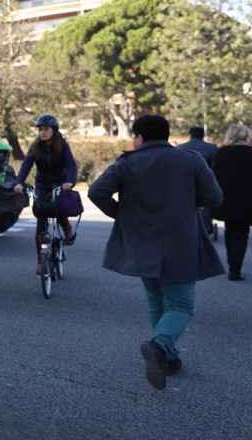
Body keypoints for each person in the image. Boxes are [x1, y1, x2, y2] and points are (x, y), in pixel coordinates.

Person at [88, 115, 223, 390]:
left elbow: (96, 191)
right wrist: (186, 204)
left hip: (141, 242)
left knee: (156, 301)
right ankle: (160, 346)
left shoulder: (127, 163)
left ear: (139, 137)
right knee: (181, 305)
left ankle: (166, 356)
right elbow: (215, 198)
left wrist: (121, 214)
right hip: (181, 242)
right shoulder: (191, 159)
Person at [13, 115, 78, 275]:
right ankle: (40, 262)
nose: (42, 132)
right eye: (40, 129)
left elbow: (71, 165)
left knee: (59, 210)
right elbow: (26, 165)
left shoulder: (62, 145)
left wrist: (70, 181)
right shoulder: (35, 147)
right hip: (42, 185)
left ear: (54, 130)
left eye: (46, 129)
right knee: (41, 221)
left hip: (60, 183)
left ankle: (67, 228)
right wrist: (19, 182)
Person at [211, 123, 252, 281]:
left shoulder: (221, 153)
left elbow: (214, 175)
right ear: (246, 136)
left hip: (227, 198)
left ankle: (232, 265)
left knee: (229, 231)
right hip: (247, 199)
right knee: (242, 233)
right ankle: (236, 268)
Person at [178, 126, 218, 235]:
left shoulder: (180, 148)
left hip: (186, 182)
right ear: (203, 135)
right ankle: (207, 226)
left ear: (190, 135)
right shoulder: (212, 148)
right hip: (206, 180)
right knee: (206, 205)